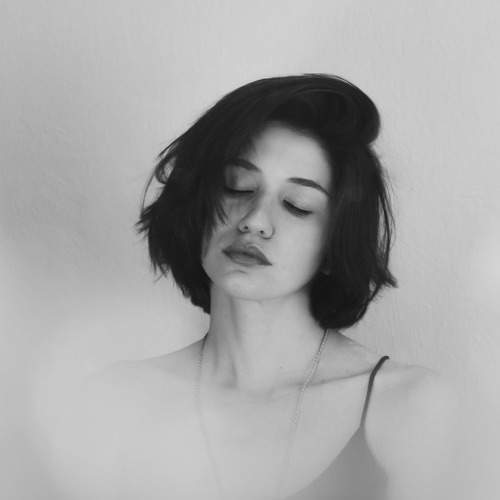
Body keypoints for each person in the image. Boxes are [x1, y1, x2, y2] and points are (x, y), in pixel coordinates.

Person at [46, 74, 456, 500]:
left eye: (297, 205)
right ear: (196, 204)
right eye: (236, 187)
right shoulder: (113, 403)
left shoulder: (409, 408)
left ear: (335, 242)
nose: (255, 221)